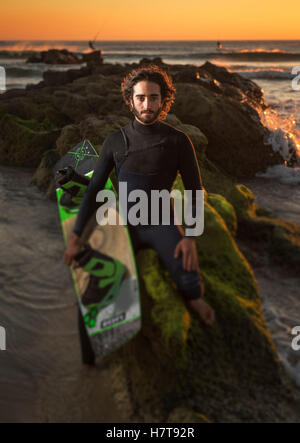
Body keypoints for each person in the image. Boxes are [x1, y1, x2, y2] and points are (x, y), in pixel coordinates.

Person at [64, 64, 215, 366]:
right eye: (141, 98)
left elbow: (196, 191)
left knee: (187, 277)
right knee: (93, 287)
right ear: (130, 100)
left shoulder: (178, 141)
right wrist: (78, 236)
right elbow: (94, 192)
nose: (148, 105)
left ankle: (194, 302)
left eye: (154, 98)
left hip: (161, 222)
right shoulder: (115, 141)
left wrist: (191, 237)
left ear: (164, 101)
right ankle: (88, 363)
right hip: (125, 224)